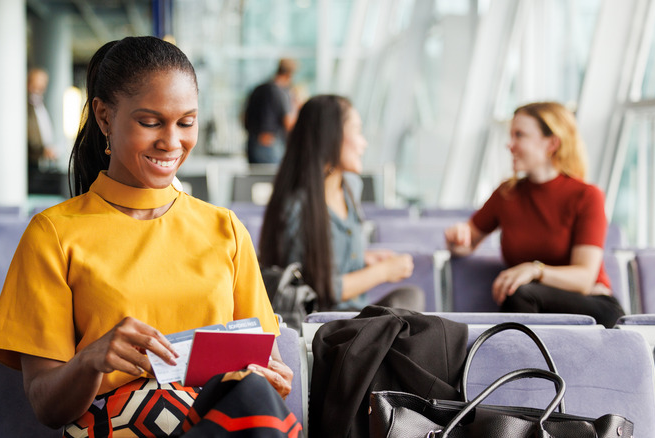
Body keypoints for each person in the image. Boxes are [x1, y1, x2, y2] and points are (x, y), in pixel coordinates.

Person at [0, 37, 297, 436]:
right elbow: (47, 406)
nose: (172, 142)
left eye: (186, 122)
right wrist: (91, 359)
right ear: (103, 118)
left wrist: (274, 379)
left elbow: (263, 367)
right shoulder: (54, 235)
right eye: (150, 122)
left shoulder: (226, 230)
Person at [443, 101, 625, 327]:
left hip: (592, 306)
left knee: (520, 293)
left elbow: (584, 279)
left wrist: (534, 270)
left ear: (552, 143)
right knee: (520, 293)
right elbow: (467, 243)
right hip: (533, 304)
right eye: (510, 135)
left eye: (519, 135)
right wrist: (456, 238)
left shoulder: (587, 196)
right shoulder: (507, 194)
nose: (510, 145)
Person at [258, 95, 425, 312]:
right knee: (407, 302)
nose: (363, 143)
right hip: (319, 324)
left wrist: (362, 259)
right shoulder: (297, 207)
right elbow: (315, 287)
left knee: (410, 300)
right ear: (331, 136)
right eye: (357, 131)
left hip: (354, 318)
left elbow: (326, 257)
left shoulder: (350, 188)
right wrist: (383, 271)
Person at [243, 58, 298, 164]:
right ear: (289, 75)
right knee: (272, 179)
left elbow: (244, 117)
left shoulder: (257, 89)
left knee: (254, 179)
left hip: (252, 143)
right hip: (270, 145)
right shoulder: (281, 92)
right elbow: (288, 123)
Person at [27, 67, 57, 171]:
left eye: (43, 83)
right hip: (30, 160)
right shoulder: (25, 107)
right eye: (38, 83)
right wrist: (41, 150)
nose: (41, 86)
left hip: (41, 159)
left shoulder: (40, 104)